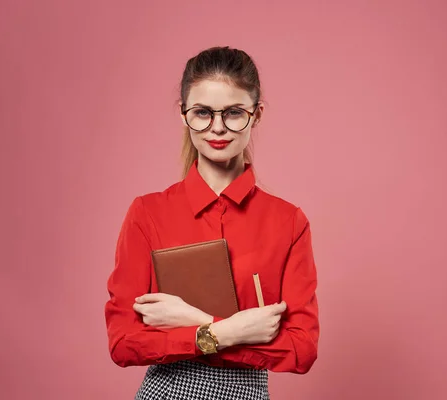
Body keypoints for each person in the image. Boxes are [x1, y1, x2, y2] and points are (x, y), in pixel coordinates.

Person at [103, 46, 320, 400]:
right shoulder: (147, 213)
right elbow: (124, 341)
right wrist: (229, 332)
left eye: (234, 112)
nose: (217, 128)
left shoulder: (288, 222)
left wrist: (193, 321)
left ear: (257, 114)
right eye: (202, 112)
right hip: (169, 392)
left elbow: (302, 349)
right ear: (183, 114)